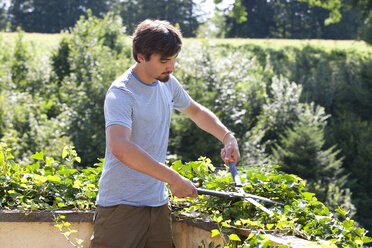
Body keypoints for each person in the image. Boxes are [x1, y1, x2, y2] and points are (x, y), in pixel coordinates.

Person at [90, 19, 240, 248]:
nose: (171, 67)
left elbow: (196, 111)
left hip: (158, 206)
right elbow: (120, 148)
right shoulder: (121, 93)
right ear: (141, 56)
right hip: (120, 210)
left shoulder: (167, 83)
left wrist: (227, 136)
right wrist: (173, 179)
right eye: (164, 60)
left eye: (173, 59)